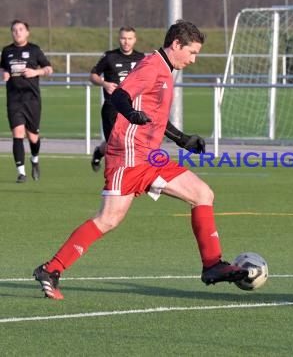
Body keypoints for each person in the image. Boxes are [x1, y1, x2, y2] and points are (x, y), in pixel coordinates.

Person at [33, 20, 245, 300]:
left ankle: (213, 264)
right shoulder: (151, 67)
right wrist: (130, 115)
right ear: (176, 44)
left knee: (202, 193)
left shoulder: (165, 70)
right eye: (192, 52)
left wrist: (182, 139)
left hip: (149, 156)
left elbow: (155, 114)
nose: (194, 59)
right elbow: (120, 96)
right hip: (129, 154)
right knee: (107, 219)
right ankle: (51, 269)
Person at [1, 20, 53, 183]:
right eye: (14, 30)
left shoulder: (34, 50)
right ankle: (21, 172)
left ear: (27, 32)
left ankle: (35, 160)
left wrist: (35, 72)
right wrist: (3, 73)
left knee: (33, 138)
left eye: (21, 29)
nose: (17, 32)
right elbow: (2, 67)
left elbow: (49, 69)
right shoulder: (7, 51)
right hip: (14, 99)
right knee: (17, 133)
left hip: (32, 99)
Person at [89, 26, 145, 172]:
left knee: (129, 143)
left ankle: (101, 153)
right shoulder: (109, 57)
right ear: (119, 38)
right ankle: (116, 175)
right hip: (111, 108)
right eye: (123, 38)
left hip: (132, 109)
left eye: (129, 38)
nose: (126, 42)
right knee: (114, 145)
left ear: (135, 39)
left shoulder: (141, 58)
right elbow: (93, 75)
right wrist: (104, 83)